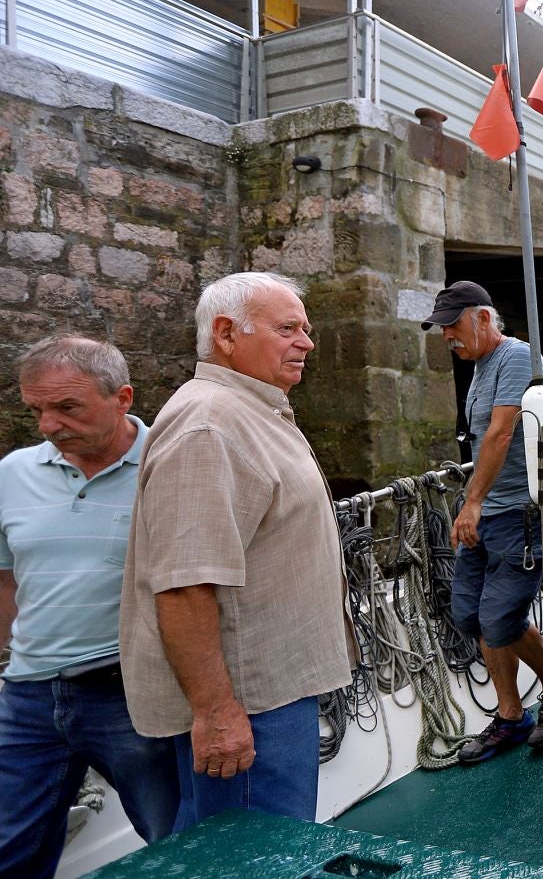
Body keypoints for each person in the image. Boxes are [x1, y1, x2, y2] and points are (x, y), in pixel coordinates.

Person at [120, 272, 351, 830]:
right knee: (254, 852)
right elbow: (183, 583)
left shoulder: (248, 410)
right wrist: (218, 713)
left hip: (270, 692)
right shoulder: (211, 427)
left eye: (306, 329)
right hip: (251, 705)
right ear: (226, 333)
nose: (308, 342)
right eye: (288, 329)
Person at [0, 337, 178, 877]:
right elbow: (6, 574)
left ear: (122, 397)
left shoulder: (169, 466)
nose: (48, 425)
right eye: (36, 410)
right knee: (9, 845)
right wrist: (14, 652)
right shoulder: (11, 472)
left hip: (128, 692)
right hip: (27, 694)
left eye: (66, 407)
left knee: (171, 838)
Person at [420, 280, 543, 763]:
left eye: (451, 325)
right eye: (440, 329)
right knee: (471, 615)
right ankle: (511, 715)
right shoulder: (480, 365)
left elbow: (500, 435)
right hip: (484, 510)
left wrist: (471, 503)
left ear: (481, 318)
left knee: (500, 619)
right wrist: (474, 502)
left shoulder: (517, 356)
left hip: (515, 515)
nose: (446, 337)